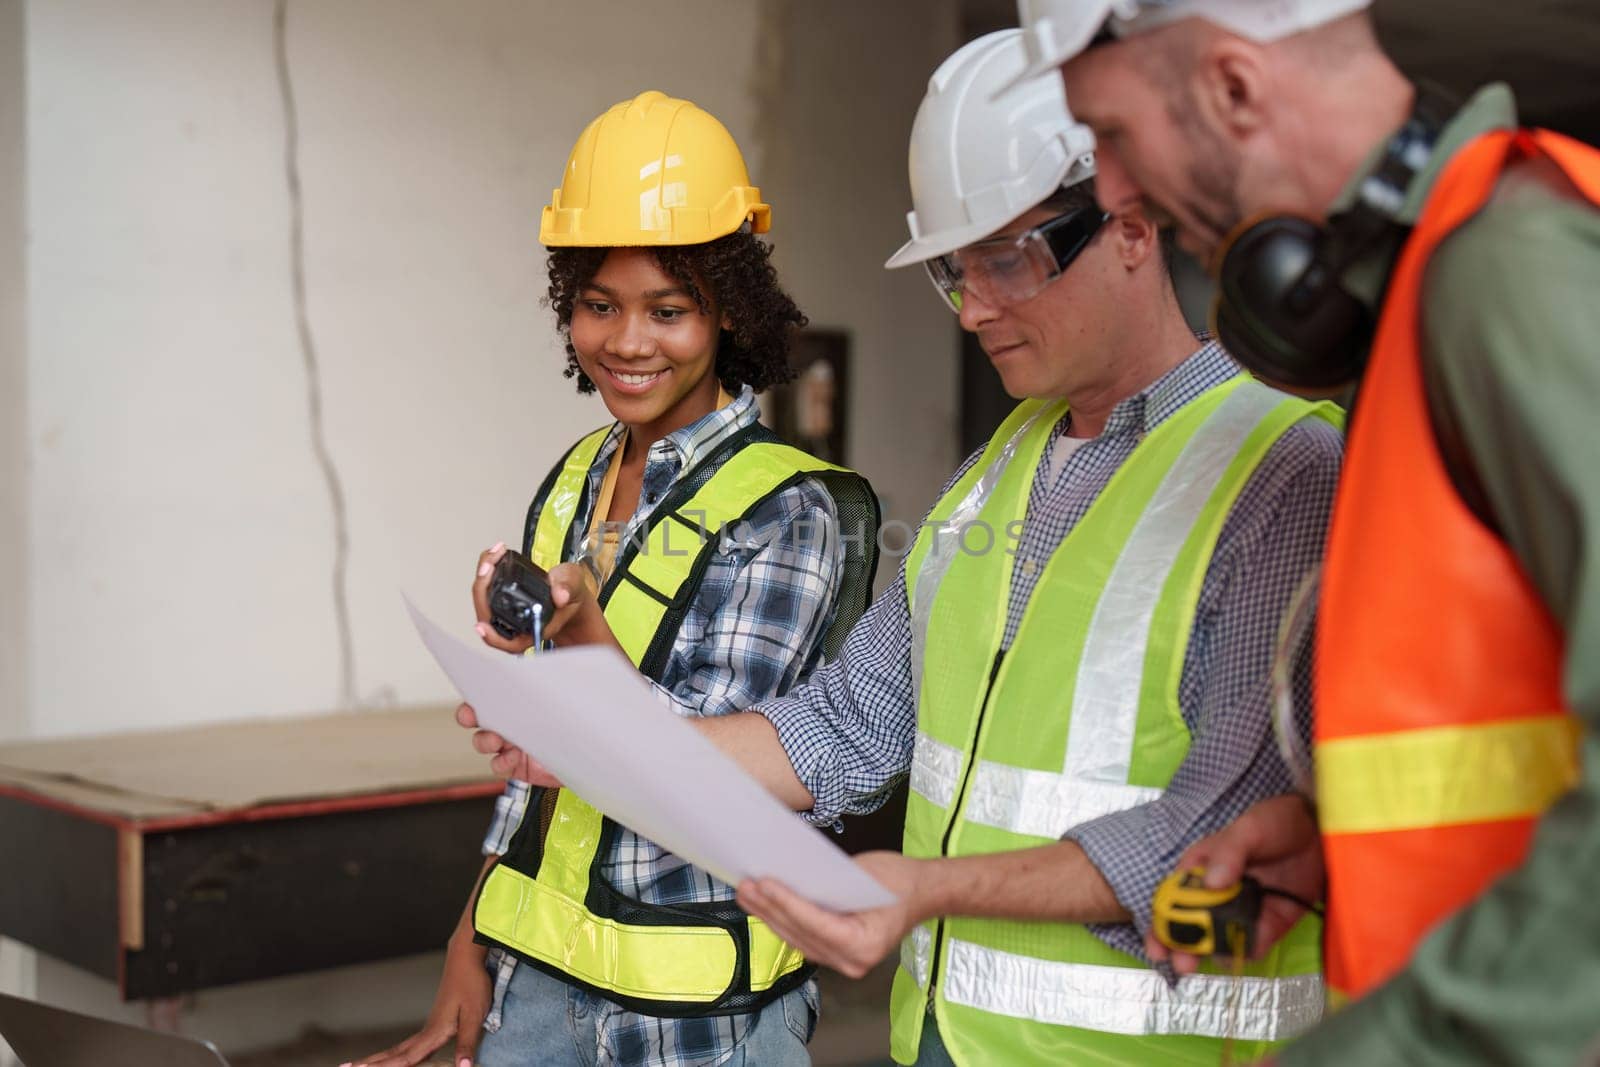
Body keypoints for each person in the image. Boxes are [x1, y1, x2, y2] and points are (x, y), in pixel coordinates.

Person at [466, 31, 1344, 1066]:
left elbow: (1221, 831)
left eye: (1006, 259)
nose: (973, 308)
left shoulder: (1279, 470)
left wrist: (922, 888)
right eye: (952, 272)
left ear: (1132, 222)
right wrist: (595, 741)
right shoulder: (998, 468)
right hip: (946, 1036)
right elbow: (843, 724)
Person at [1015, 0, 1600, 1062]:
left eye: (1111, 133)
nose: (1108, 188)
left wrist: (1394, 1042)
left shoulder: (1505, 272)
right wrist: (1344, 849)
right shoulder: (1427, 294)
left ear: (1233, 88)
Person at [354, 90, 879, 1067]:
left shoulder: (789, 508)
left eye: (667, 310)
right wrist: (472, 944)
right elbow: (532, 777)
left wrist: (585, 636)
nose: (627, 342)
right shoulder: (573, 481)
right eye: (599, 304)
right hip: (537, 991)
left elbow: (712, 781)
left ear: (730, 311)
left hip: (696, 1019)